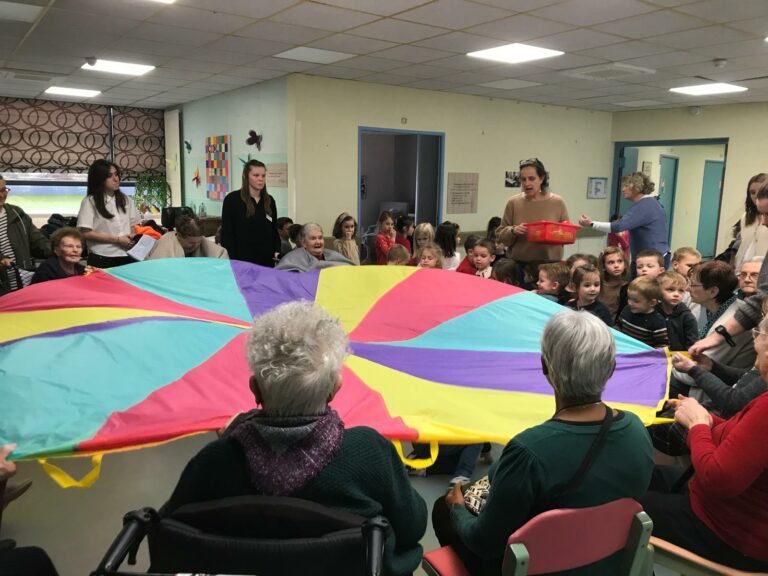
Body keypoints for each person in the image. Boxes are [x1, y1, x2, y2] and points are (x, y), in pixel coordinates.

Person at [161, 302, 427, 576]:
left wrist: (236, 438)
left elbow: (169, 530)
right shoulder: (369, 452)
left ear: (255, 389)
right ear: (335, 388)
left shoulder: (215, 461)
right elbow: (413, 526)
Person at [432, 310, 653, 575]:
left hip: (535, 566)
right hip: (605, 561)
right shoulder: (636, 430)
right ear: (612, 368)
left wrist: (457, 508)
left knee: (442, 510)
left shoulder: (529, 451)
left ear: (545, 367)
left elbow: (485, 542)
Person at [641, 315, 768, 572]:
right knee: (643, 474)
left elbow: (718, 480)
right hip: (730, 517)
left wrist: (698, 426)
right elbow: (747, 439)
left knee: (623, 505)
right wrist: (706, 418)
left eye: (760, 355)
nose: (756, 364)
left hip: (727, 534)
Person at [676, 261, 755, 400]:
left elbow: (695, 375)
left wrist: (666, 368)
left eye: (693, 285)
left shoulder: (731, 323)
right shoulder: (711, 308)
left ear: (713, 291)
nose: (687, 288)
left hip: (710, 396)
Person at [579, 172, 669, 272]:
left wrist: (591, 224)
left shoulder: (644, 205)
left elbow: (618, 226)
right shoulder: (650, 203)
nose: (623, 190)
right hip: (653, 256)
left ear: (636, 186)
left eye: (626, 186)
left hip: (651, 261)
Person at [499, 158, 570, 275]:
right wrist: (513, 231)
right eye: (523, 179)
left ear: (541, 178)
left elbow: (566, 234)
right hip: (519, 265)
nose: (527, 184)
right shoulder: (513, 202)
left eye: (532, 179)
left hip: (550, 267)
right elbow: (501, 235)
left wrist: (550, 232)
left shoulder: (557, 202)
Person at [77, 160, 141, 269]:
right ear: (99, 179)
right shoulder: (90, 201)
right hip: (102, 257)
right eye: (109, 176)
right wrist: (117, 240)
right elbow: (85, 233)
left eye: (116, 174)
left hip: (128, 255)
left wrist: (133, 236)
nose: (116, 179)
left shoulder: (126, 199)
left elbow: (134, 225)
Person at [220, 160, 280, 267]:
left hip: (266, 260)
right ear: (246, 176)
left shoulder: (269, 200)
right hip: (242, 260)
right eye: (256, 175)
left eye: (263, 175)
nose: (260, 179)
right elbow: (227, 234)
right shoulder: (232, 200)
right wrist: (233, 261)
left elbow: (274, 230)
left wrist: (277, 250)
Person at [0, 175, 51, 293]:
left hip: (22, 284)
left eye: (3, 190)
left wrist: (59, 248)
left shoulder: (16, 213)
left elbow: (38, 242)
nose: (1, 195)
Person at [275, 223, 354, 272]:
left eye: (320, 238)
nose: (318, 242)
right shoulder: (292, 258)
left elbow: (352, 269)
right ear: (303, 242)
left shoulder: (333, 255)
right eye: (313, 238)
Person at [617, 276, 668, 348]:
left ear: (652, 303)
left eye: (636, 301)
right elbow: (619, 326)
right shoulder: (626, 310)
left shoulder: (658, 322)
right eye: (629, 298)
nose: (630, 303)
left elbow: (662, 345)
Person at [147, 215, 228, 260]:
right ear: (179, 235)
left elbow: (222, 258)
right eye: (191, 243)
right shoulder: (165, 244)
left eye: (198, 242)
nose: (195, 246)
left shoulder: (204, 243)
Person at [733, 173, 768, 273]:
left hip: (763, 270)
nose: (756, 195)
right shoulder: (746, 217)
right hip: (743, 269)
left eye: (760, 191)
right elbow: (742, 246)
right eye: (752, 192)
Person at [657, 271, 698, 351]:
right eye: (670, 289)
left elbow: (692, 342)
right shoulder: (653, 312)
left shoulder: (687, 317)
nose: (676, 294)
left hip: (680, 357)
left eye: (681, 291)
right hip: (655, 355)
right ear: (658, 290)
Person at [597, 246, 629, 319]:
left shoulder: (626, 287)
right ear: (604, 266)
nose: (616, 266)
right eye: (611, 262)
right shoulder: (598, 284)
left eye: (620, 261)